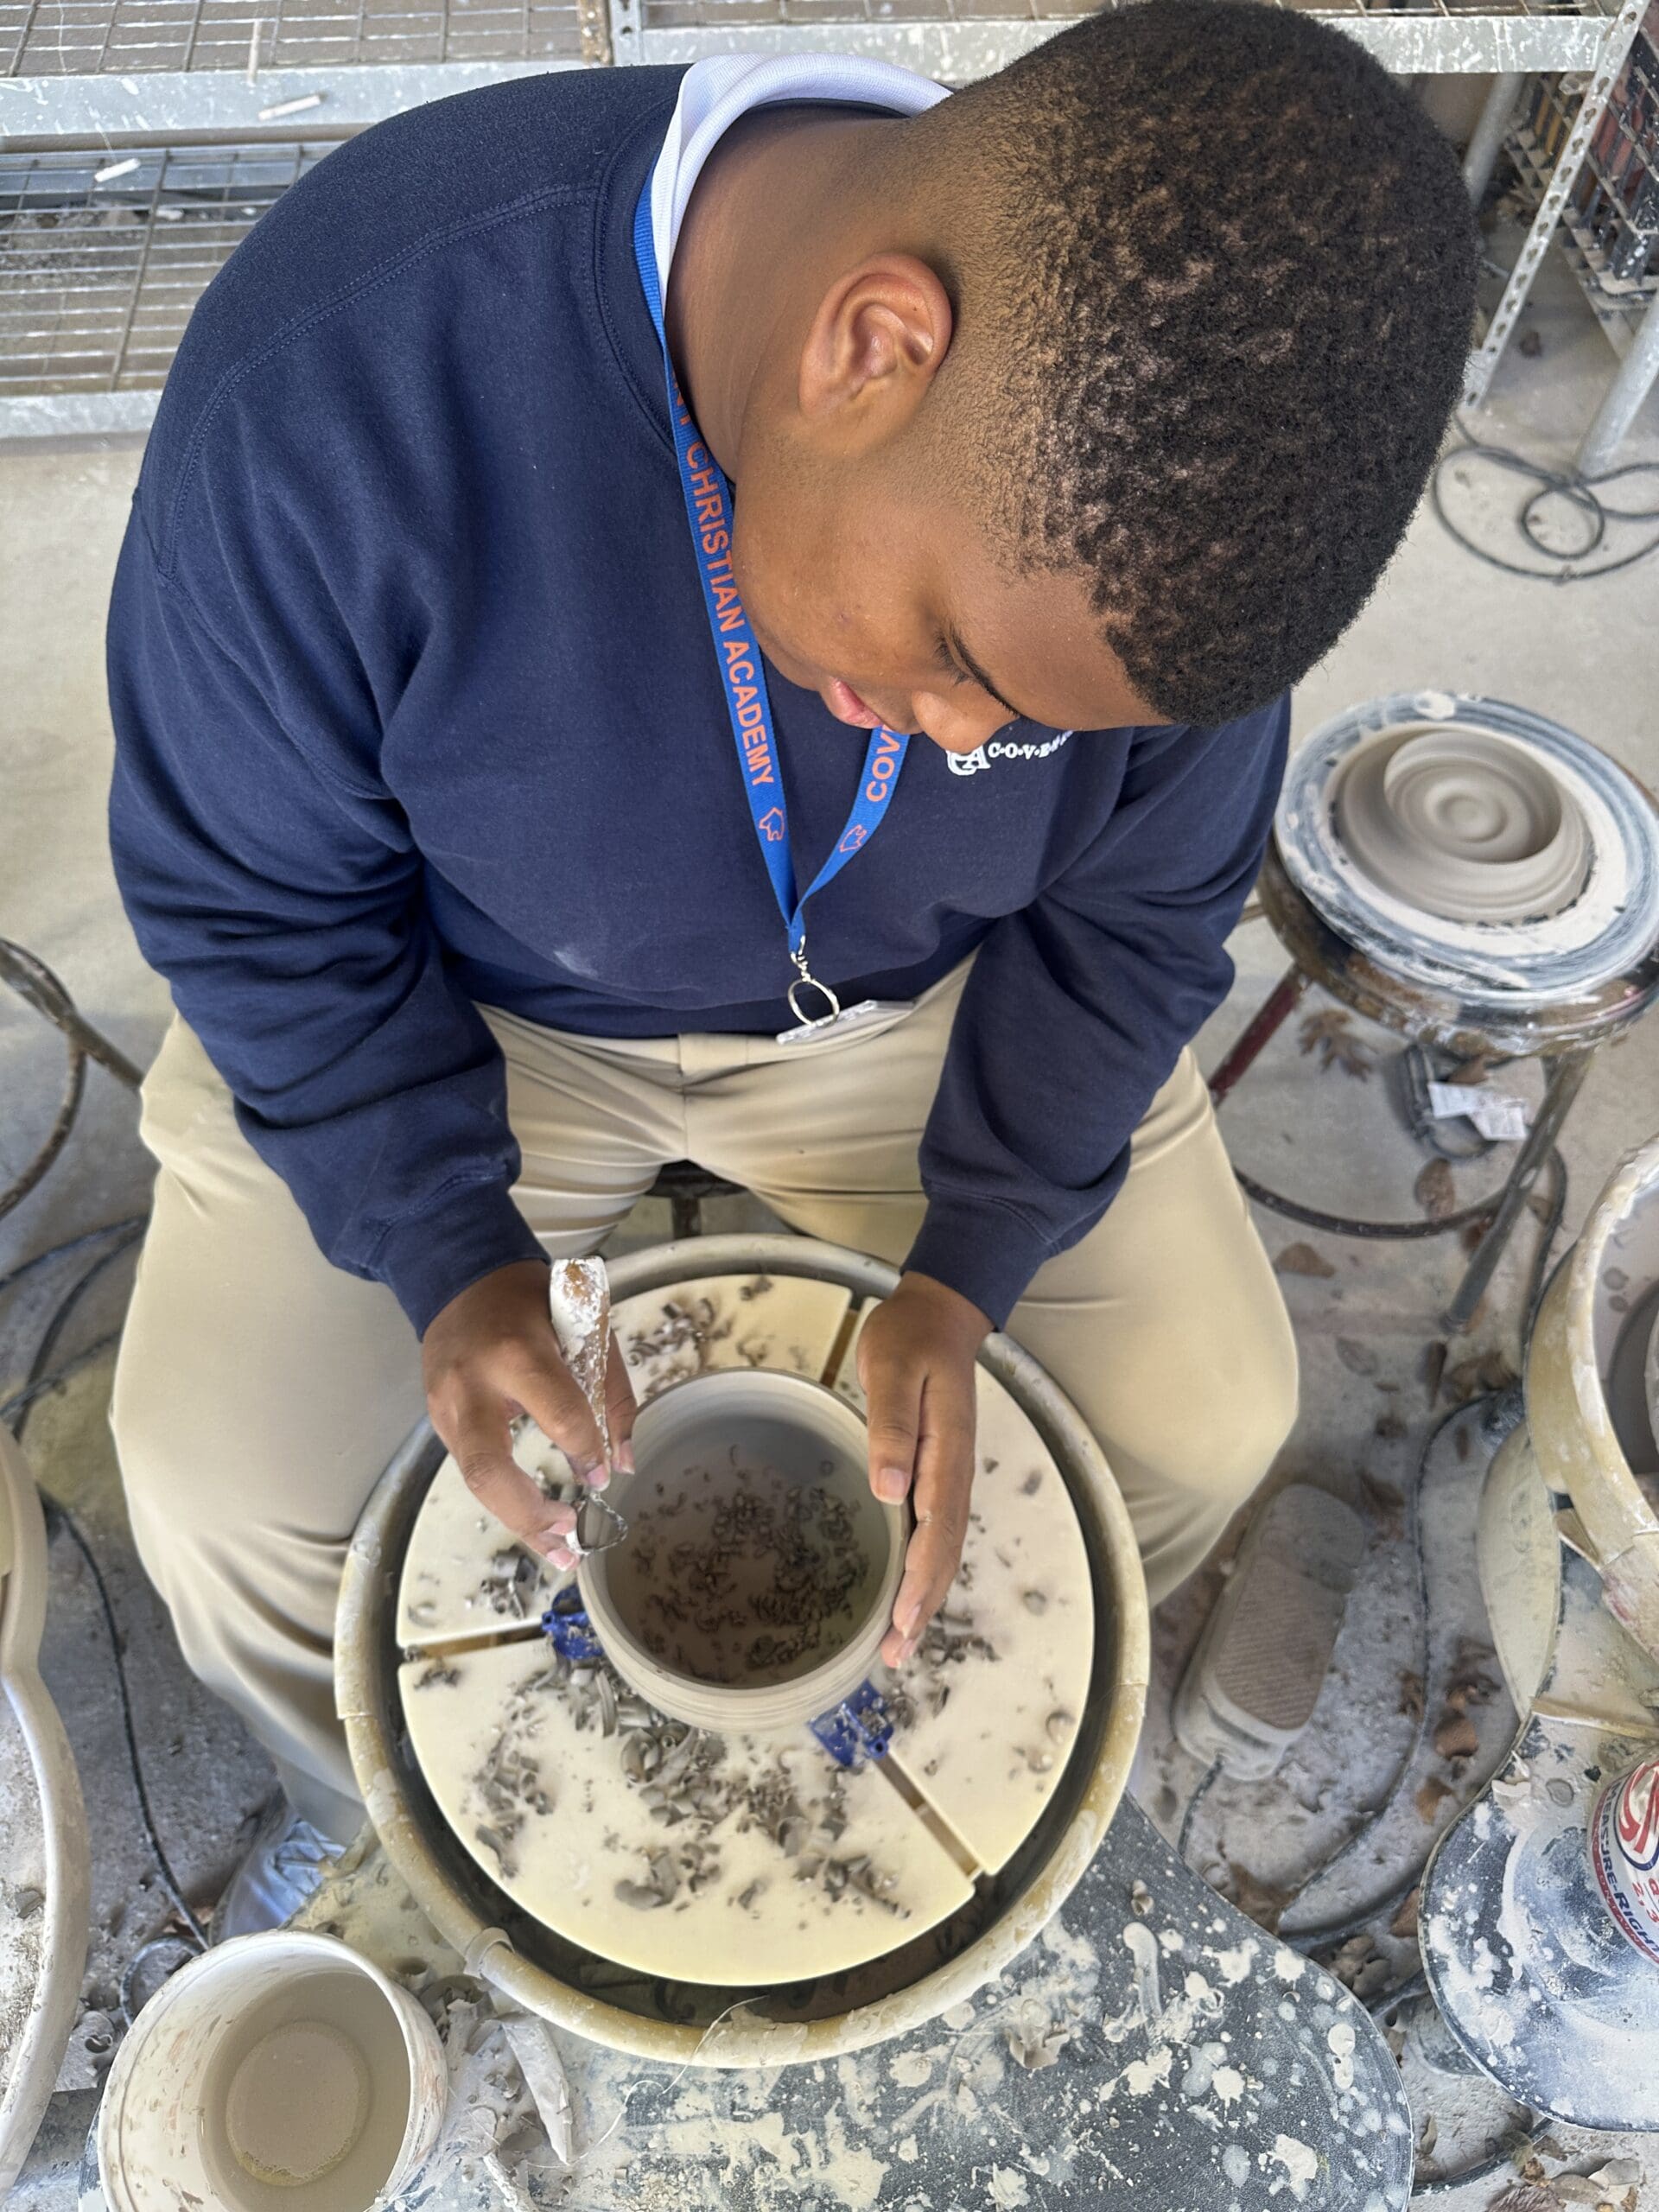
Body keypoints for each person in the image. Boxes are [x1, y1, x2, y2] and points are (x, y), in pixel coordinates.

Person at [105, 0, 1478, 1929]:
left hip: (927, 1013)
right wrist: (442, 1240)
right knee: (225, 1482)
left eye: (1008, 723)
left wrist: (974, 1260)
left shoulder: (1170, 521)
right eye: (958, 664)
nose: (937, 740)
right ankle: (417, 1836)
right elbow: (255, 907)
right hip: (469, 1005)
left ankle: (883, 1738)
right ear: (871, 348)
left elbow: (1140, 917)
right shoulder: (337, 384)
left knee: (1191, 1413)